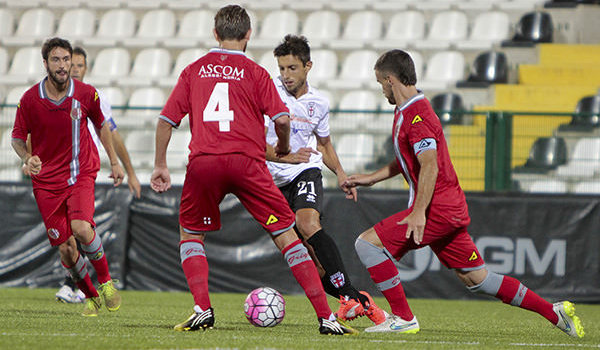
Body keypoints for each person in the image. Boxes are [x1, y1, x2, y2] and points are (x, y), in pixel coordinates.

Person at [341, 49, 585, 337]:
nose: (382, 90)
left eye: (381, 83)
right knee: (477, 279)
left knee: (368, 244)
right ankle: (553, 312)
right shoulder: (406, 112)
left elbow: (429, 166)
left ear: (391, 79)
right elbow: (407, 159)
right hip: (448, 208)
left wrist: (418, 212)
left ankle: (403, 318)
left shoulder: (418, 115)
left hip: (437, 210)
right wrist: (371, 178)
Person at [150, 5, 355, 335]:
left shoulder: (193, 71)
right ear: (248, 35)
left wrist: (160, 164)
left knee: (190, 233)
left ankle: (203, 309)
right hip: (248, 163)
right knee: (286, 235)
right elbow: (283, 120)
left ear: (215, 34)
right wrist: (284, 148)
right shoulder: (257, 73)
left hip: (205, 163)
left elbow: (165, 121)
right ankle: (326, 317)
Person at [265, 34, 385, 325]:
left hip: (304, 172)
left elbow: (324, 144)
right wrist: (282, 157)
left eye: (292, 68)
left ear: (308, 66)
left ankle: (346, 297)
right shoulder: (267, 94)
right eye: (281, 68)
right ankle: (359, 299)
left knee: (308, 223)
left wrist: (341, 175)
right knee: (308, 261)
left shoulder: (318, 102)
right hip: (270, 181)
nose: (285, 75)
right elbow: (254, 142)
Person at [11, 37, 124, 317]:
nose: (63, 66)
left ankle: (107, 282)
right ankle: (90, 295)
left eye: (66, 60)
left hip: (80, 173)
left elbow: (102, 125)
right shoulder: (29, 99)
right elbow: (16, 137)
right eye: (56, 60)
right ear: (46, 63)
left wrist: (114, 161)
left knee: (82, 229)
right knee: (66, 250)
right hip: (47, 183)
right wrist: (27, 157)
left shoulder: (86, 94)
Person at [53, 45, 141, 304]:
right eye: (72, 65)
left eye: (80, 65)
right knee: (65, 236)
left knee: (79, 227)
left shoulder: (94, 97)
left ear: (86, 68)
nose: (75, 69)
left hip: (84, 169)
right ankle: (80, 284)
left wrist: (127, 170)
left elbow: (110, 132)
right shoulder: (52, 95)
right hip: (58, 170)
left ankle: (82, 285)